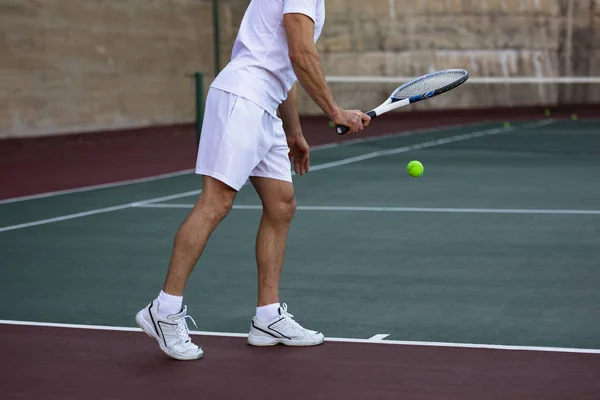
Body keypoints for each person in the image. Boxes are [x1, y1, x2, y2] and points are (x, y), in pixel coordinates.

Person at [135, 0, 371, 360]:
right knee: (216, 202)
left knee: (281, 205)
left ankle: (267, 318)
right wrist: (335, 111)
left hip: (266, 104)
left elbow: (285, 68)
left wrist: (293, 132)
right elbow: (301, 52)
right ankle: (164, 311)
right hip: (243, 98)